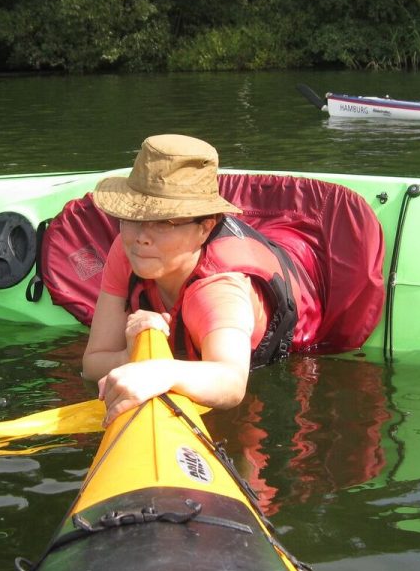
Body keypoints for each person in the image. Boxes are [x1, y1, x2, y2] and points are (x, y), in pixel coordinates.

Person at [81, 134, 345, 426]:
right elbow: (93, 364)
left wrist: (162, 371)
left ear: (206, 227)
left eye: (165, 222)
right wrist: (130, 355)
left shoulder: (220, 290)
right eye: (133, 216)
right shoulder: (128, 247)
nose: (142, 237)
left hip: (301, 326)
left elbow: (231, 383)